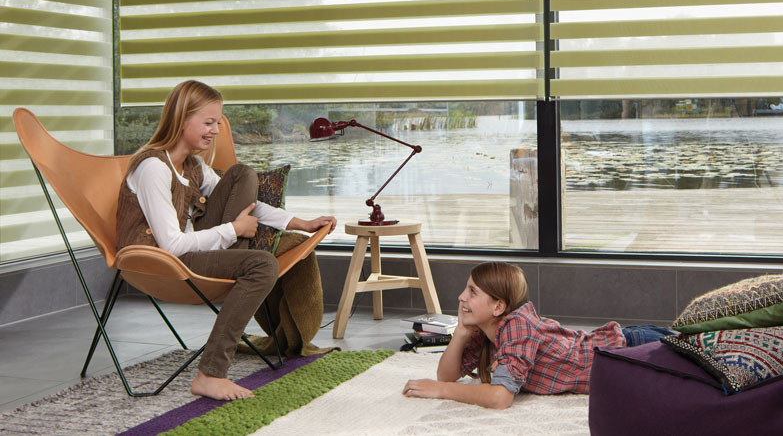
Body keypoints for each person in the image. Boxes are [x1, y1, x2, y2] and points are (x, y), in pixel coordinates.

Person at [116, 80, 336, 401]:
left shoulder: (192, 166)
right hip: (160, 259)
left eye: (217, 122)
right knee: (261, 265)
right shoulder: (153, 168)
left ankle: (242, 267)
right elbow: (172, 246)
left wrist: (301, 223)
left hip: (194, 249)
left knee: (242, 174)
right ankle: (210, 374)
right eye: (208, 122)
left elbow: (248, 202)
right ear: (181, 120)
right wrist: (234, 229)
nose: (216, 130)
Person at [402, 262, 673, 409]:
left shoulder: (517, 326)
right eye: (466, 289)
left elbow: (500, 397)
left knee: (711, 352)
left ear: (499, 306)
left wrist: (442, 392)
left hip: (631, 349)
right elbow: (446, 375)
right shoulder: (486, 331)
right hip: (624, 365)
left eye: (473, 291)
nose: (462, 296)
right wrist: (460, 333)